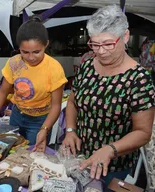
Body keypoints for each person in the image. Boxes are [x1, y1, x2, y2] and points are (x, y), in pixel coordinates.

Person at [62, 4, 155, 189]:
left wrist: (110, 150)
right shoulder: (87, 66)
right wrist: (71, 131)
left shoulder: (139, 79)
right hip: (80, 155)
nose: (100, 51)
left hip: (114, 166)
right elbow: (72, 102)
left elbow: (143, 133)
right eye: (95, 44)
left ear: (125, 36)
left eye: (108, 44)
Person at [0, 16, 68, 152]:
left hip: (40, 121)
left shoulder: (54, 68)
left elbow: (56, 106)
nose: (31, 57)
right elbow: (3, 91)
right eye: (25, 52)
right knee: (10, 151)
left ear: (46, 44)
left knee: (31, 155)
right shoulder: (14, 63)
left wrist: (44, 129)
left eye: (36, 52)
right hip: (16, 115)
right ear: (19, 48)